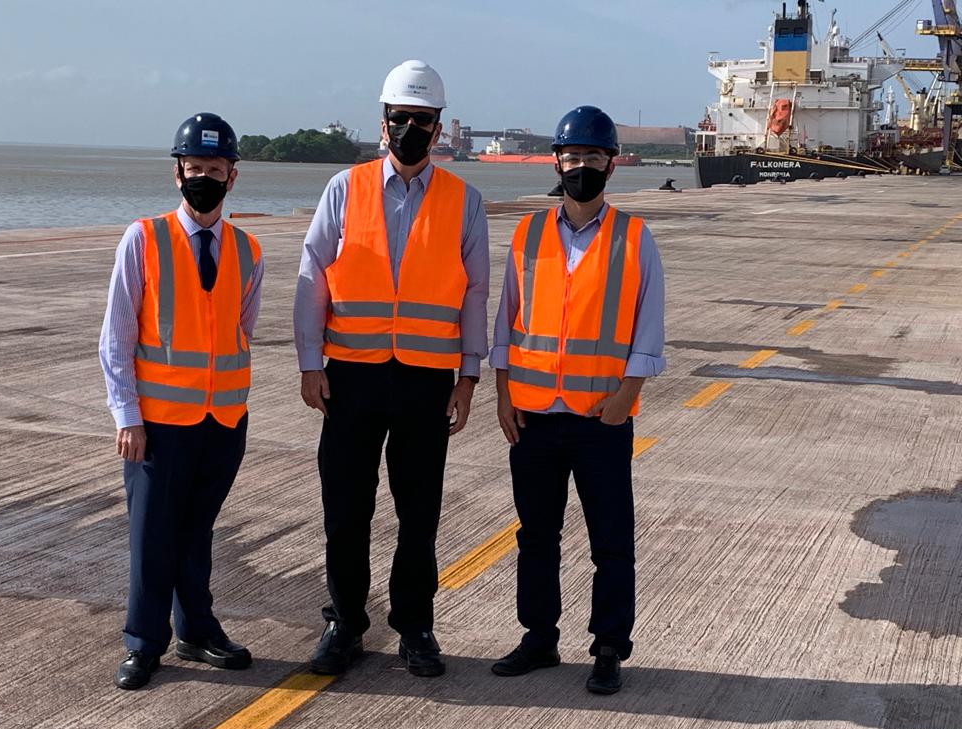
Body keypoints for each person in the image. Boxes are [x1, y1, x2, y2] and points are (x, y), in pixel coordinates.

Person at [294, 60, 490, 678]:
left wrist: (468, 376)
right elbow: (311, 279)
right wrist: (308, 363)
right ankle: (345, 623)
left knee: (419, 513)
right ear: (383, 123)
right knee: (345, 509)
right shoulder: (342, 190)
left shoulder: (465, 200)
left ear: (438, 129)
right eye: (400, 118)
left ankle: (416, 628)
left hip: (426, 382)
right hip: (350, 375)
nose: (411, 129)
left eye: (423, 121)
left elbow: (476, 293)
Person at [488, 106, 665, 695]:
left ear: (610, 166)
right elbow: (507, 320)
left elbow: (648, 329)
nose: (581, 166)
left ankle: (609, 645)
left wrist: (627, 397)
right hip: (534, 416)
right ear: (556, 162)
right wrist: (502, 393)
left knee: (610, 539)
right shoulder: (528, 233)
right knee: (536, 536)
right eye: (573, 157)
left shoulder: (635, 237)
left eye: (593, 157)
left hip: (601, 418)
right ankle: (539, 637)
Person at [99, 112, 264, 690]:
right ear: (177, 173)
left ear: (232, 177)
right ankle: (144, 643)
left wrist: (234, 407)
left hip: (223, 420)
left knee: (199, 530)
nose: (204, 178)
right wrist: (127, 415)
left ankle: (197, 630)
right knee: (153, 534)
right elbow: (116, 335)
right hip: (158, 423)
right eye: (194, 168)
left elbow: (242, 330)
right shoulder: (143, 238)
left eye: (214, 170)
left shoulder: (249, 250)